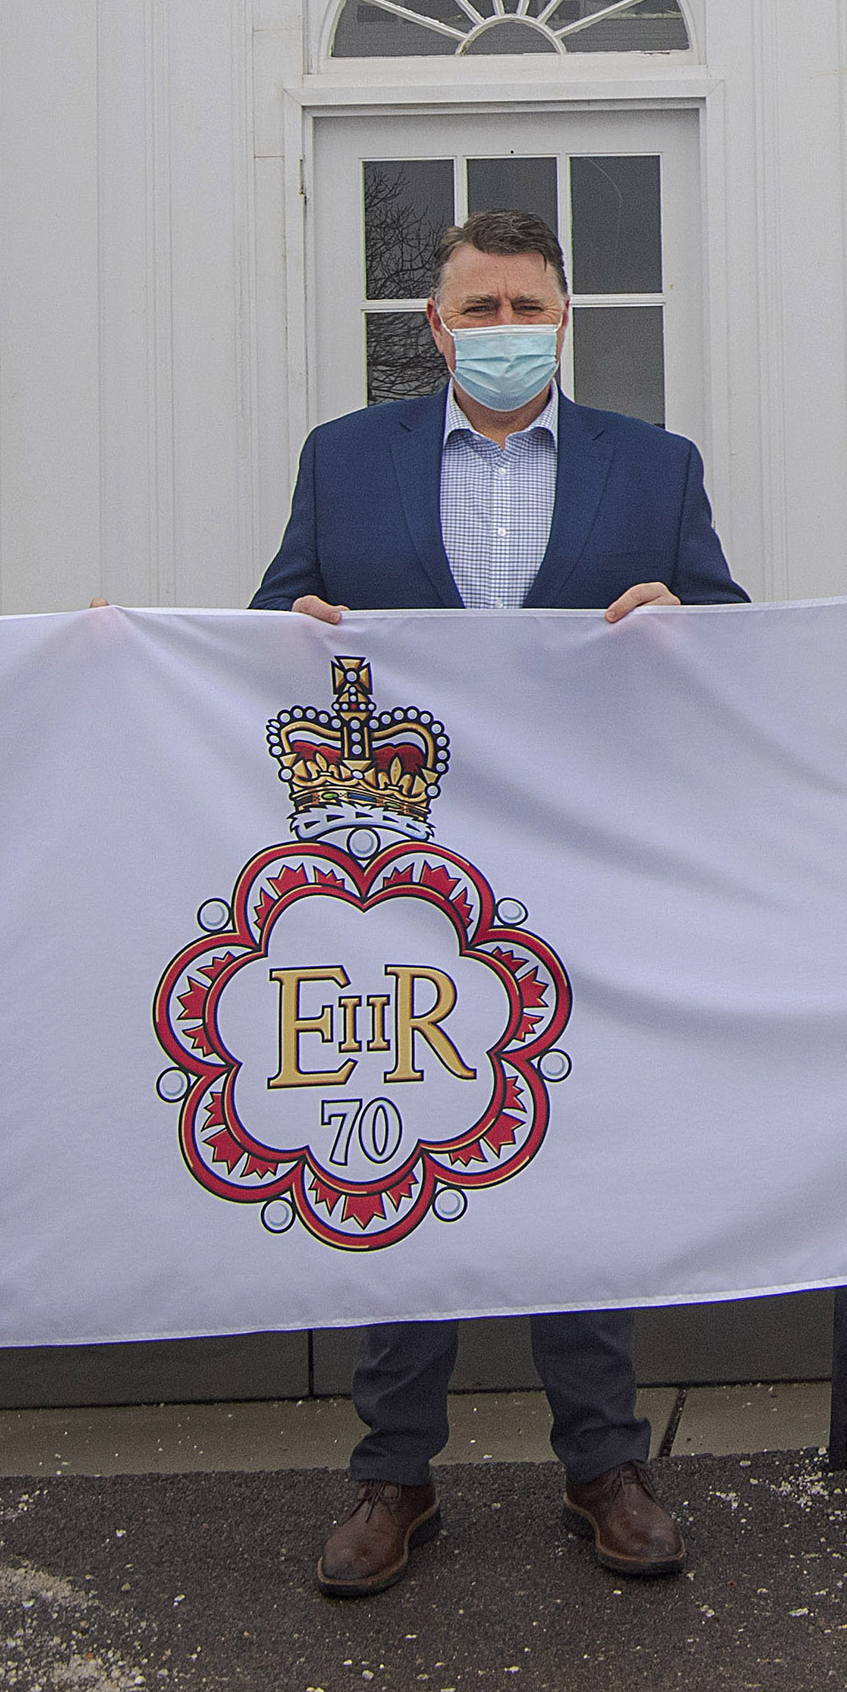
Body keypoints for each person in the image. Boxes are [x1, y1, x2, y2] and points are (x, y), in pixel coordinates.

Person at [254, 204, 745, 1598]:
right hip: (394, 878)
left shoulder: (651, 469)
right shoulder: (347, 463)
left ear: (565, 320)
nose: (506, 331)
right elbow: (276, 618)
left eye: (528, 307)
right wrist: (288, 634)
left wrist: (680, 626)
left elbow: (726, 629)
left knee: (570, 1148)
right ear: (435, 326)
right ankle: (393, 1470)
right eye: (481, 309)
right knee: (396, 1147)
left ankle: (605, 1460)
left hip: (586, 863)